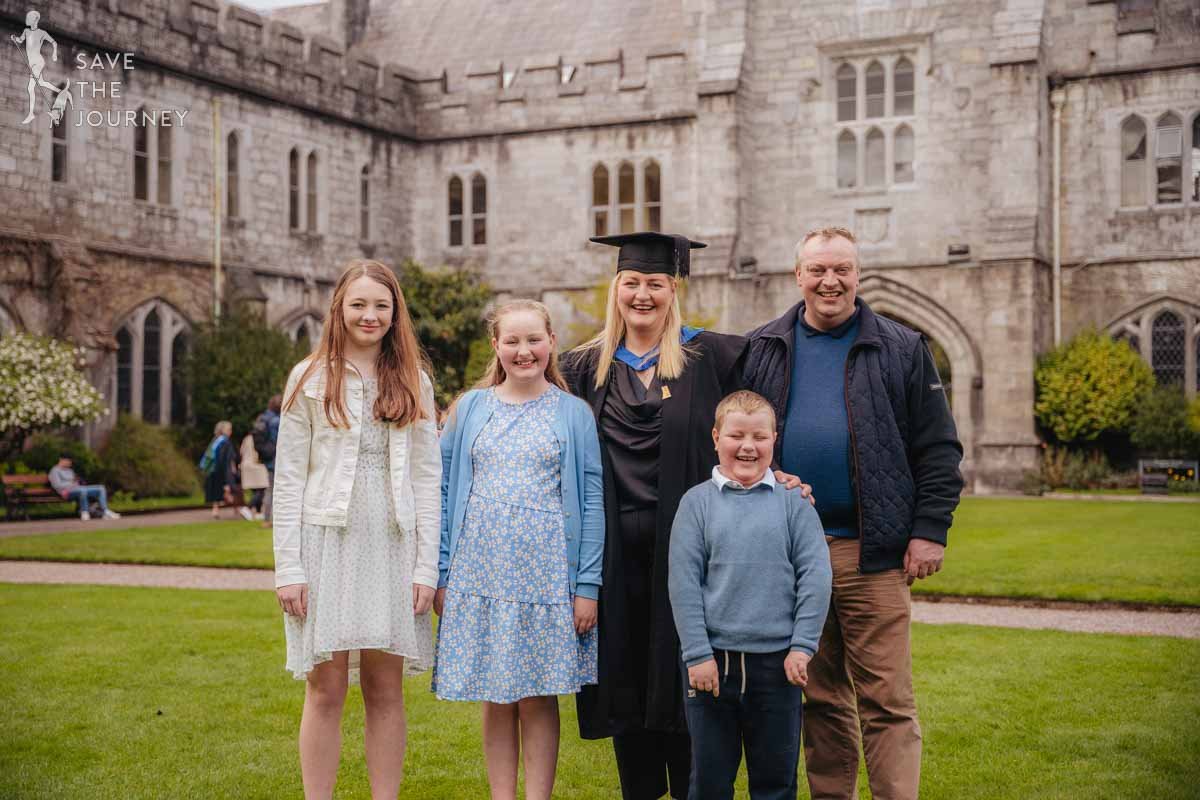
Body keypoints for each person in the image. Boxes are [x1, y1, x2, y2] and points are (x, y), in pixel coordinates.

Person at [565, 232, 808, 800]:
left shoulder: (718, 356)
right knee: (624, 681)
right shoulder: (583, 366)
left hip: (695, 552)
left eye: (655, 284)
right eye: (632, 283)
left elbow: (754, 427)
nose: (642, 294)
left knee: (690, 679)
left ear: (673, 290)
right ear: (616, 288)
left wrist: (783, 472)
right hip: (615, 560)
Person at [742, 226, 964, 800]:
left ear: (857, 275)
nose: (829, 281)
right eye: (817, 270)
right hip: (792, 553)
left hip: (874, 552)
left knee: (887, 701)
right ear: (798, 277)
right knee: (820, 698)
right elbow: (740, 444)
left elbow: (938, 449)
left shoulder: (902, 347)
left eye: (841, 269)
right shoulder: (763, 346)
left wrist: (928, 531)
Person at [272, 259, 441, 800]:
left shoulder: (414, 380)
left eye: (381, 306)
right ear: (339, 309)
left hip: (393, 542)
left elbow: (426, 479)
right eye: (359, 304)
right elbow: (290, 480)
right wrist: (288, 569)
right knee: (325, 688)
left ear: (396, 314)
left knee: (385, 688)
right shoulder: (309, 376)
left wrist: (426, 566)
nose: (370, 315)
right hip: (328, 541)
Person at [433, 299, 604, 800]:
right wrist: (442, 571)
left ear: (551, 343)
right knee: (496, 693)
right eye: (512, 341)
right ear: (496, 346)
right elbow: (443, 491)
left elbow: (591, 499)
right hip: (479, 572)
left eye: (534, 340)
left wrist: (587, 585)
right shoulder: (469, 409)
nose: (523, 351)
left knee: (537, 695)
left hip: (548, 575)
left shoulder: (573, 414)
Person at [668, 390, 831, 800]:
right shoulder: (696, 504)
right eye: (736, 436)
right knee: (708, 782)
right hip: (712, 669)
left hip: (778, 667)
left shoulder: (795, 503)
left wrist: (802, 647)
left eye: (759, 437)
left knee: (775, 783)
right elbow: (684, 582)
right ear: (716, 437)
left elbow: (815, 576)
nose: (747, 446)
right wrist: (697, 654)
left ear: (774, 439)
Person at [47, 454, 120, 521]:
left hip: (78, 488)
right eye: (69, 461)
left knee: (100, 488)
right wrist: (71, 484)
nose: (70, 463)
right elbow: (57, 485)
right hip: (66, 492)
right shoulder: (54, 471)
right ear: (62, 460)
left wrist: (76, 483)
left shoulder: (70, 470)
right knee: (82, 490)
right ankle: (85, 512)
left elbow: (75, 481)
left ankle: (105, 510)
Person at [253, 395, 282, 526]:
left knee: (270, 489)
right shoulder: (276, 421)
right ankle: (273, 519)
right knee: (277, 490)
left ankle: (267, 518)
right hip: (277, 458)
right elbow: (280, 441)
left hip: (268, 458)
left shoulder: (263, 417)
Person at [200, 421, 234, 519]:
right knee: (225, 487)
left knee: (217, 490)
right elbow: (225, 459)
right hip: (220, 469)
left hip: (212, 469)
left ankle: (216, 509)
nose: (231, 432)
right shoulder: (225, 442)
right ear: (223, 430)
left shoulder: (216, 440)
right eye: (229, 429)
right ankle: (235, 508)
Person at [239, 431, 270, 520]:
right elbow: (256, 452)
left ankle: (258, 512)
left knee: (256, 490)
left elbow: (241, 451)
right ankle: (248, 508)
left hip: (246, 465)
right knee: (262, 488)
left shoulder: (247, 438)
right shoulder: (258, 438)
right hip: (254, 466)